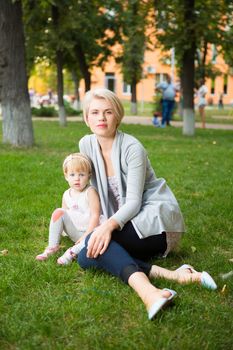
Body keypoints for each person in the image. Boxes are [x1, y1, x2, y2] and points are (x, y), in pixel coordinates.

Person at [75, 88, 217, 320]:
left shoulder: (132, 148)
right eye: (95, 112)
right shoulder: (86, 145)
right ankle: (176, 276)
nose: (101, 118)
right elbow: (91, 191)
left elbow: (133, 202)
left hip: (154, 222)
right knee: (86, 256)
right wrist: (94, 226)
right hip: (123, 222)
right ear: (86, 118)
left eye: (108, 112)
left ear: (117, 116)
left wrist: (106, 227)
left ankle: (149, 293)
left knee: (93, 248)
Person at [36, 153, 104, 265]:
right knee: (59, 212)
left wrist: (86, 235)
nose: (77, 179)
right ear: (66, 176)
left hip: (90, 230)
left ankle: (71, 253)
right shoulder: (66, 194)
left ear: (89, 175)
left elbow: (95, 215)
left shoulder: (90, 192)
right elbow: (65, 213)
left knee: (95, 234)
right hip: (75, 231)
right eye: (72, 175)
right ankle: (52, 247)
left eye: (81, 175)